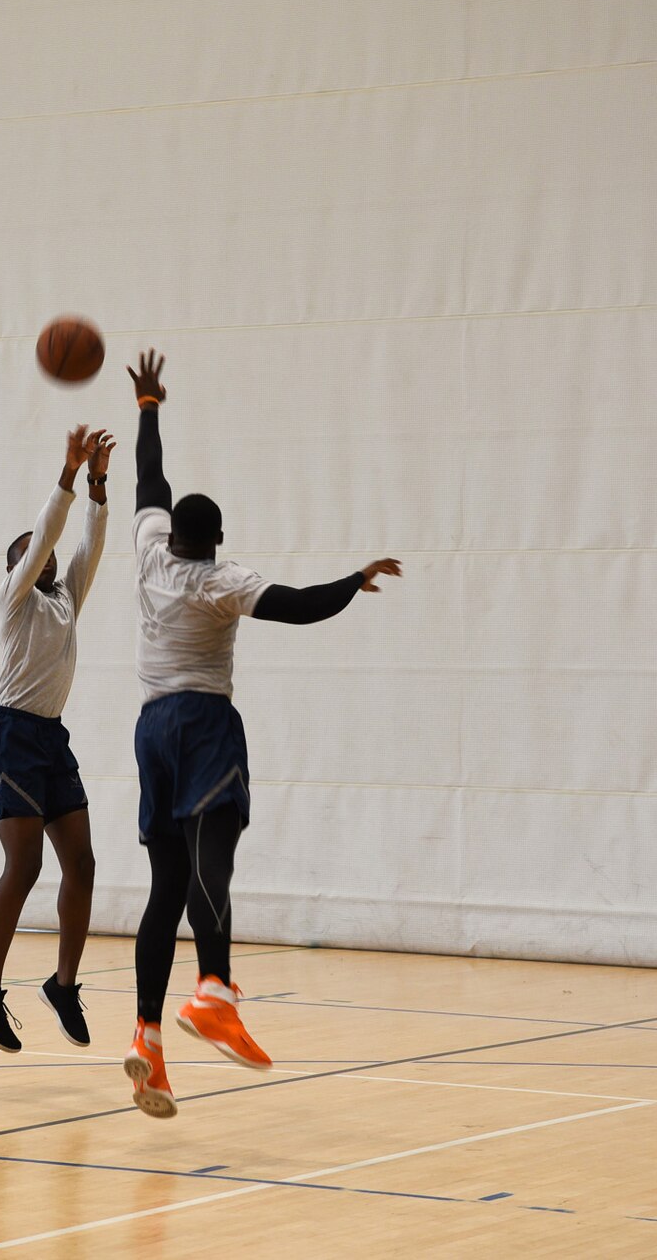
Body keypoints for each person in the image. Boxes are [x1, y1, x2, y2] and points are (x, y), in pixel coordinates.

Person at [118, 351, 401, 1118]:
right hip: (203, 721)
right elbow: (302, 606)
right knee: (216, 851)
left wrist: (148, 404)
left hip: (149, 729)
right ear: (215, 541)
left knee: (166, 886)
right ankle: (213, 989)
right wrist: (354, 579)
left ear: (174, 534)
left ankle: (147, 1036)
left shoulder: (148, 552)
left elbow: (150, 480)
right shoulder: (221, 582)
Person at [0, 425, 113, 1053]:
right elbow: (51, 533)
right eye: (30, 549)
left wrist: (99, 484)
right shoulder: (15, 600)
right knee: (24, 864)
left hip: (51, 738)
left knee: (82, 864)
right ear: (17, 566)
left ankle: (64, 984)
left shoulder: (65, 598)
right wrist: (68, 474)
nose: (44, 553)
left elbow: (89, 547)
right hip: (10, 735)